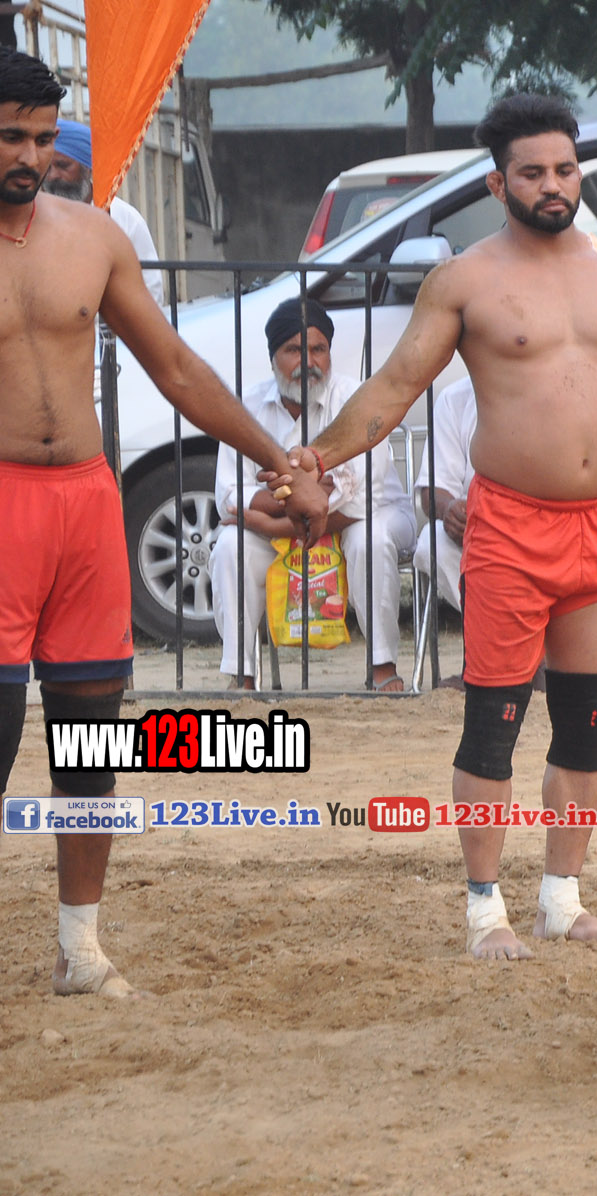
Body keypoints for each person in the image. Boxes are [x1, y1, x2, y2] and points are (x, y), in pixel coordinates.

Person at [280, 93, 597, 960]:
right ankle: (485, 909)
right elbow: (393, 386)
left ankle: (561, 898)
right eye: (533, 172)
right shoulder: (466, 280)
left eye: (565, 169)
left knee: (586, 723)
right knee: (494, 723)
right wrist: (317, 457)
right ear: (497, 183)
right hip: (511, 528)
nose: (553, 185)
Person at [0, 50, 329, 997]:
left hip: (85, 504)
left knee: (88, 741)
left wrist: (281, 463)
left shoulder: (93, 237)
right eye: (10, 138)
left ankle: (79, 950)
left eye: (41, 138)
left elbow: (177, 370)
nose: (31, 157)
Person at [211, 299, 407, 692]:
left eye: (318, 349)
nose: (309, 362)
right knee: (231, 545)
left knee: (369, 540)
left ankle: (382, 668)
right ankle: (242, 676)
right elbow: (230, 493)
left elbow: (357, 492)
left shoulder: (354, 398)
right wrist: (299, 497)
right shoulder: (248, 406)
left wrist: (274, 516)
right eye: (294, 350)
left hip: (365, 517)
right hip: (285, 526)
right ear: (273, 358)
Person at [44, 119, 164, 305]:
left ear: (88, 168)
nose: (52, 176)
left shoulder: (126, 219)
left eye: (63, 166)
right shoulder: (31, 215)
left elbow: (151, 290)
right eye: (47, 167)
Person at [411, 376, 479, 618]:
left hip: (542, 527)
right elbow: (434, 489)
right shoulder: (455, 398)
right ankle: (489, 622)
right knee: (432, 541)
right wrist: (450, 509)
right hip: (477, 532)